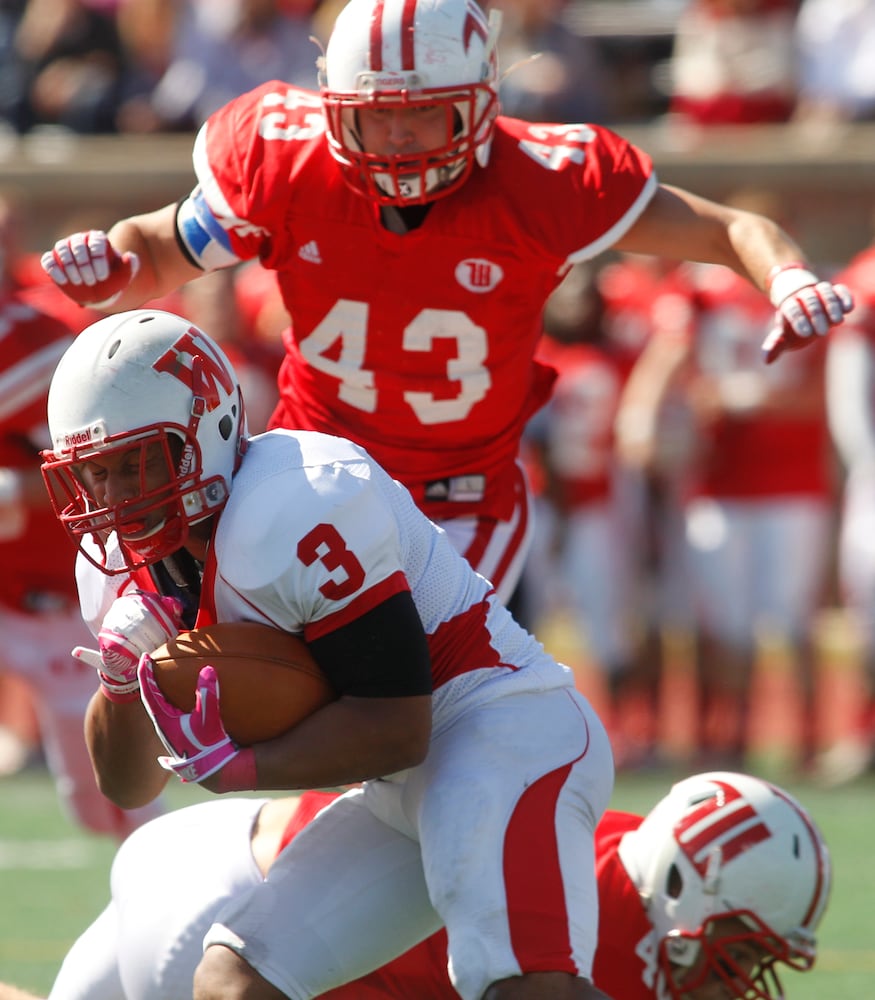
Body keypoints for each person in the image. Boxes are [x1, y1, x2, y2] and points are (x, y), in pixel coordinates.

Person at [39, 0, 852, 604]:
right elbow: (155, 250)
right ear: (330, 107)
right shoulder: (286, 159)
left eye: (423, 115)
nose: (396, 143)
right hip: (310, 465)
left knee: (423, 704)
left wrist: (787, 276)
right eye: (373, 119)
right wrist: (110, 263)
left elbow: (728, 229)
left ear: (479, 101)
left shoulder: (546, 182)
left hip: (461, 496)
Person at [40, 307, 617, 999]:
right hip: (400, 788)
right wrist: (121, 679)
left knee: (521, 986)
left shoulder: (300, 499)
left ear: (207, 431)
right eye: (93, 472)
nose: (111, 496)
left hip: (499, 725)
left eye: (132, 463)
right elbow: (128, 786)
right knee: (235, 982)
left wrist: (239, 768)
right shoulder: (116, 565)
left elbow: (398, 726)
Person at [0, 771, 832, 1000]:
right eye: (738, 951)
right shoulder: (599, 948)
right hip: (241, 946)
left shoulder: (606, 836)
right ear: (683, 898)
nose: (743, 982)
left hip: (202, 851)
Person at [615, 241, 834, 771]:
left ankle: (810, 741)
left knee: (794, 617)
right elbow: (666, 357)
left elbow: (822, 395)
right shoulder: (701, 294)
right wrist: (640, 421)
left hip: (792, 482)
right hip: (717, 482)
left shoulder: (809, 295)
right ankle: (729, 736)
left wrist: (744, 397)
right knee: (724, 621)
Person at [0, 189, 161, 837]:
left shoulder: (40, 339)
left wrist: (10, 494)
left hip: (58, 595)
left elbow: (95, 476)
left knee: (109, 807)